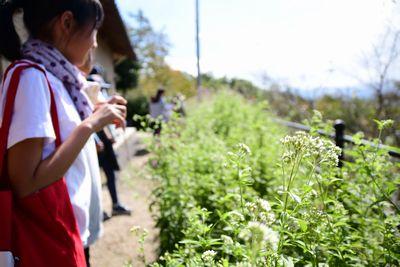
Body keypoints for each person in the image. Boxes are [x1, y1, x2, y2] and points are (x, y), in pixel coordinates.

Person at [0, 0, 127, 266]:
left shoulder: (57, 79)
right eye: (94, 30)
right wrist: (90, 125)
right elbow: (26, 182)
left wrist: (95, 116)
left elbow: (59, 143)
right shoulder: (32, 78)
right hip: (47, 239)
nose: (94, 43)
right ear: (67, 23)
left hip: (66, 234)